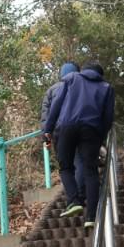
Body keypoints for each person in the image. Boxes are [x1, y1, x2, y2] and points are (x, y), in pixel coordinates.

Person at [43, 60, 115, 229]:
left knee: (65, 166)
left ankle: (74, 200)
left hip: (67, 126)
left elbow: (57, 105)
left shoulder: (73, 78)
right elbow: (108, 117)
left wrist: (48, 129)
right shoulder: (107, 87)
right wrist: (100, 137)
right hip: (91, 129)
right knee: (91, 171)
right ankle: (91, 216)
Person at [40, 62, 87, 204]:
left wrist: (45, 138)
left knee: (66, 167)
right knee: (80, 161)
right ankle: (81, 193)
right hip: (82, 128)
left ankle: (74, 199)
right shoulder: (84, 87)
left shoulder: (52, 90)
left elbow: (45, 115)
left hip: (59, 132)